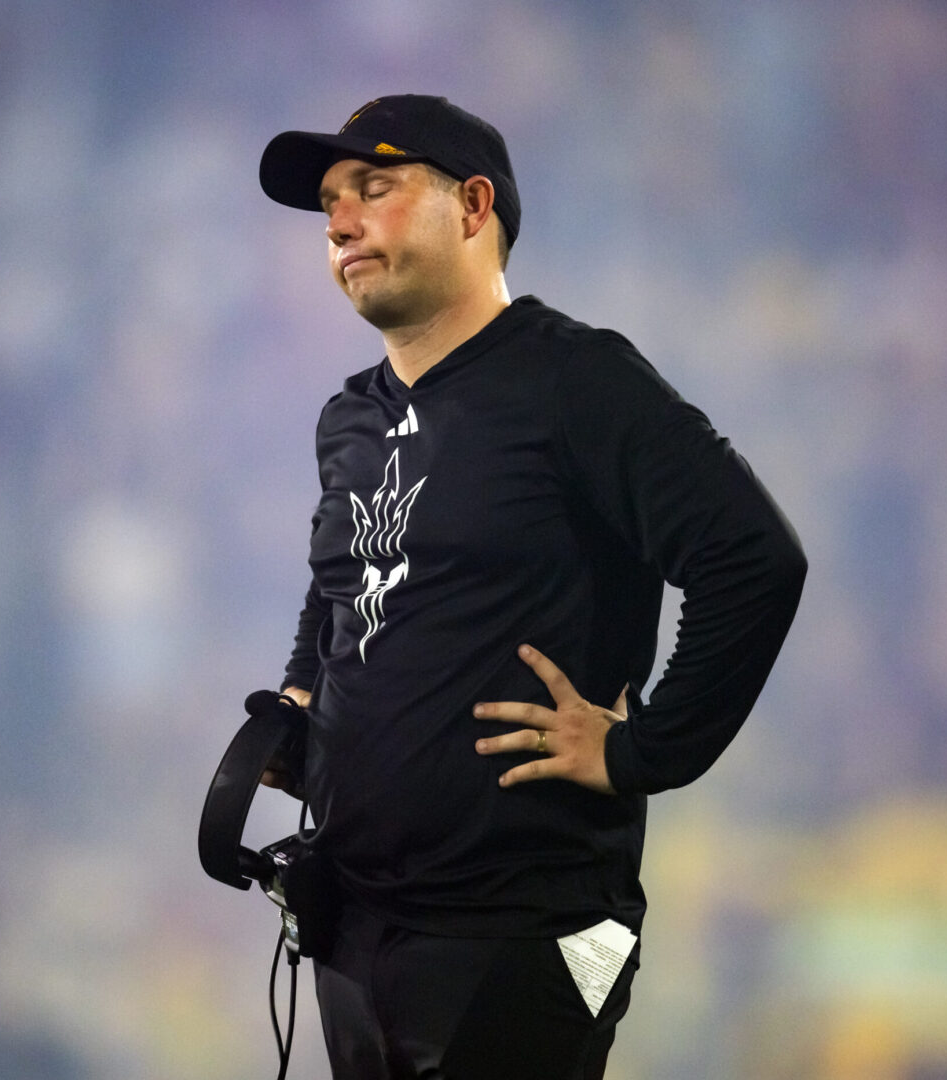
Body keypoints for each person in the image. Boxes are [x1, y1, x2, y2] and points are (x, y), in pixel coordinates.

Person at [255, 95, 806, 1079]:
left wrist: (641, 751)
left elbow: (751, 558)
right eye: (332, 202)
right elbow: (337, 583)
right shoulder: (349, 416)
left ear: (473, 206)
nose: (339, 222)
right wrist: (301, 699)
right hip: (358, 924)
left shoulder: (578, 381)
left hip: (533, 930)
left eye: (374, 188)